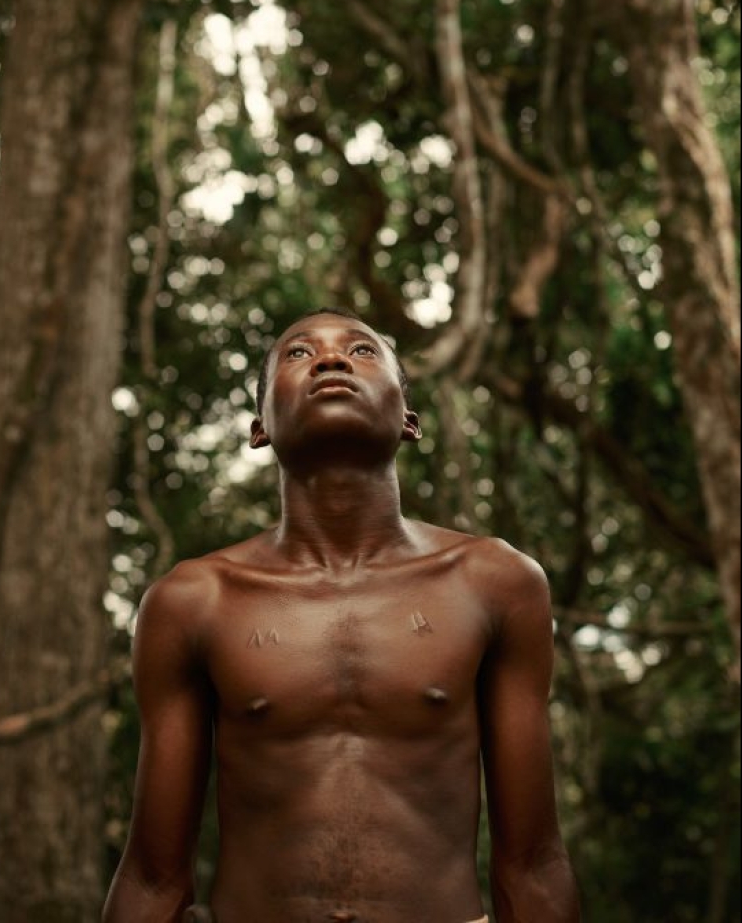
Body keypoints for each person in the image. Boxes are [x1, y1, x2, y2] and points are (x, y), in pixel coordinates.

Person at [103, 308, 581, 923]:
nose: (331, 359)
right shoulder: (194, 600)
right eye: (299, 354)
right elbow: (151, 875)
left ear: (408, 421)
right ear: (259, 429)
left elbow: (534, 861)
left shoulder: (495, 582)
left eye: (361, 350)